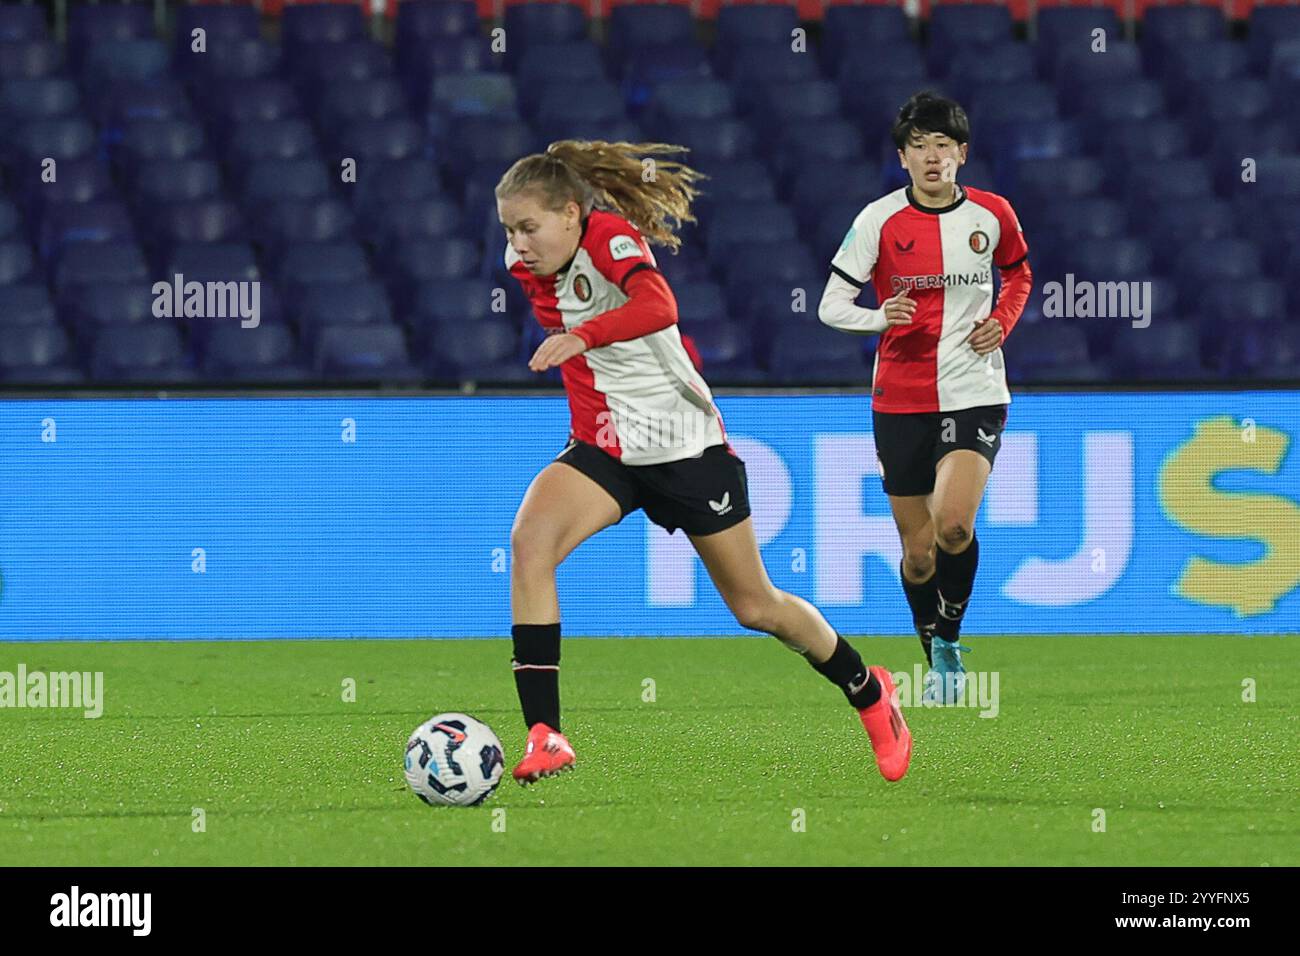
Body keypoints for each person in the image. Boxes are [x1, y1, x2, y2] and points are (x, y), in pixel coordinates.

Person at [496, 139, 912, 784]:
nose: (517, 243)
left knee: (757, 607)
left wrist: (581, 335)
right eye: (509, 229)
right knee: (530, 543)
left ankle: (869, 689)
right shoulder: (528, 262)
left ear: (573, 215)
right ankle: (546, 734)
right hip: (607, 445)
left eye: (529, 227)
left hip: (684, 444)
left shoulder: (609, 239)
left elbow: (659, 306)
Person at [818, 92, 1033, 703]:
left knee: (955, 526)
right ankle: (930, 642)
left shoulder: (993, 214)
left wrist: (1004, 318)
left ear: (962, 154)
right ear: (903, 157)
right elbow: (832, 304)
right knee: (917, 557)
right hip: (901, 398)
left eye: (944, 145)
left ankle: (950, 637)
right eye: (920, 146)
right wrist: (879, 316)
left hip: (975, 387)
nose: (932, 157)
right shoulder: (877, 221)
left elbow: (1018, 272)